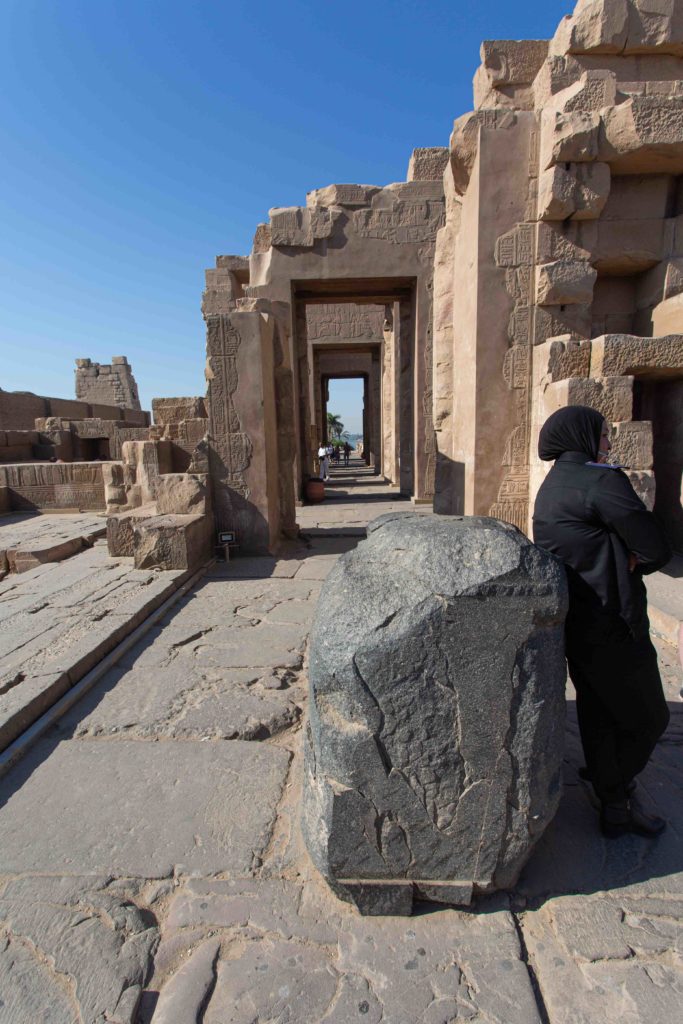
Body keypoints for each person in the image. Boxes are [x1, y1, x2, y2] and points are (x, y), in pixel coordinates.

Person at [533, 405, 671, 839]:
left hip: (580, 622)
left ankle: (614, 806)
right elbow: (655, 548)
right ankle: (612, 782)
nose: (609, 443)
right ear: (582, 436)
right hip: (615, 620)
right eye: (604, 434)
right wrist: (634, 556)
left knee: (598, 712)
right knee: (650, 718)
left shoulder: (552, 486)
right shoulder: (600, 480)